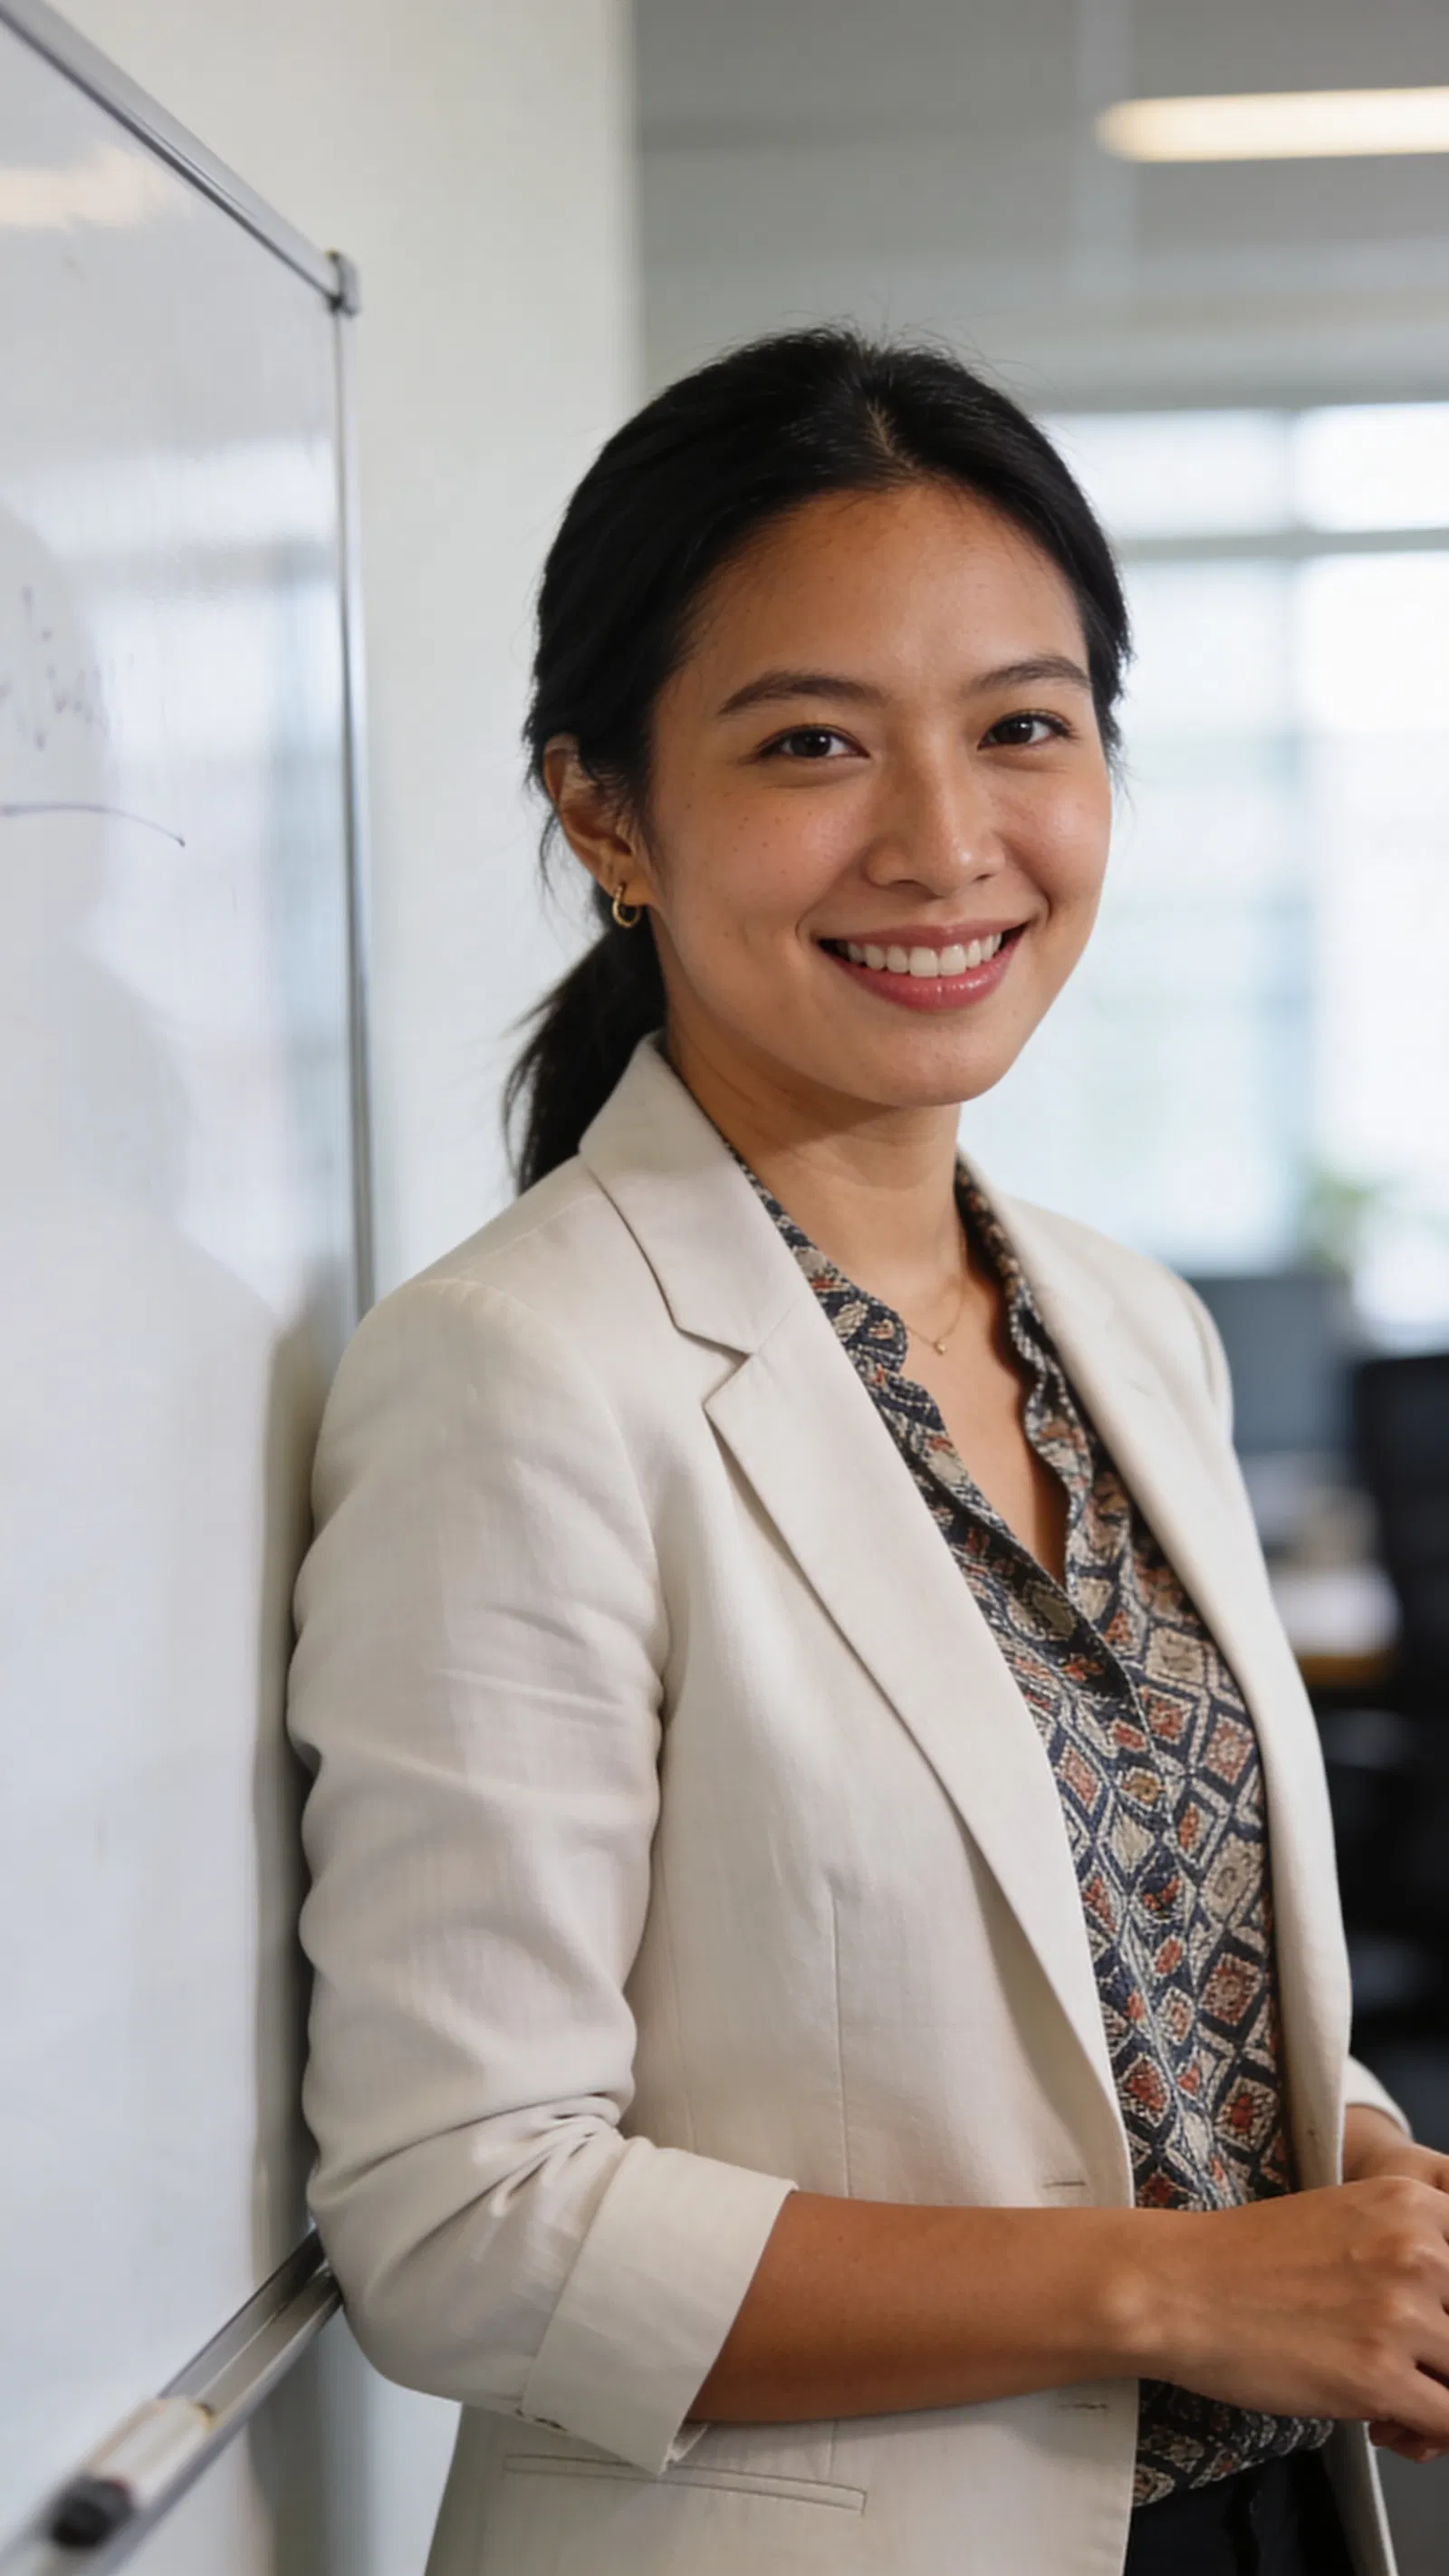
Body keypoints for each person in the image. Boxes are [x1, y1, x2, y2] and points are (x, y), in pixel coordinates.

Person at [286, 331, 1449, 2576]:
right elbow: (459, 2214)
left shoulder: (1126, 1325)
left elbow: (1120, 1970)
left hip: (1263, 2525)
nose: (942, 842)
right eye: (809, 742)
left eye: (1021, 726)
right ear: (604, 811)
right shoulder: (515, 1374)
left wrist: (1349, 2167)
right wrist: (1177, 2286)